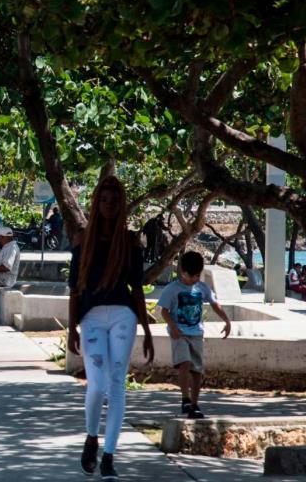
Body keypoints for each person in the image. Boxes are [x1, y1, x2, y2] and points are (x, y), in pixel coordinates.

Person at [67, 176, 154, 480]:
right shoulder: (82, 237)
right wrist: (70, 329)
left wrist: (146, 330)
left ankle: (110, 456)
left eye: (115, 201)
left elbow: (138, 289)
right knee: (97, 383)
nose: (109, 206)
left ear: (121, 205)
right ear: (96, 202)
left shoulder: (130, 241)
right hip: (91, 317)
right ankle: (92, 437)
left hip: (123, 315)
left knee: (116, 383)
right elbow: (75, 289)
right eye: (104, 201)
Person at [158, 251, 231, 420]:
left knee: (197, 369)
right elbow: (164, 311)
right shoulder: (172, 289)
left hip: (197, 333)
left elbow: (215, 304)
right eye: (192, 276)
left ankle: (194, 404)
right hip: (180, 333)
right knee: (185, 363)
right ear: (182, 272)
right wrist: (173, 327)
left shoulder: (202, 288)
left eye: (198, 275)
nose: (195, 279)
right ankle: (185, 398)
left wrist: (227, 321)